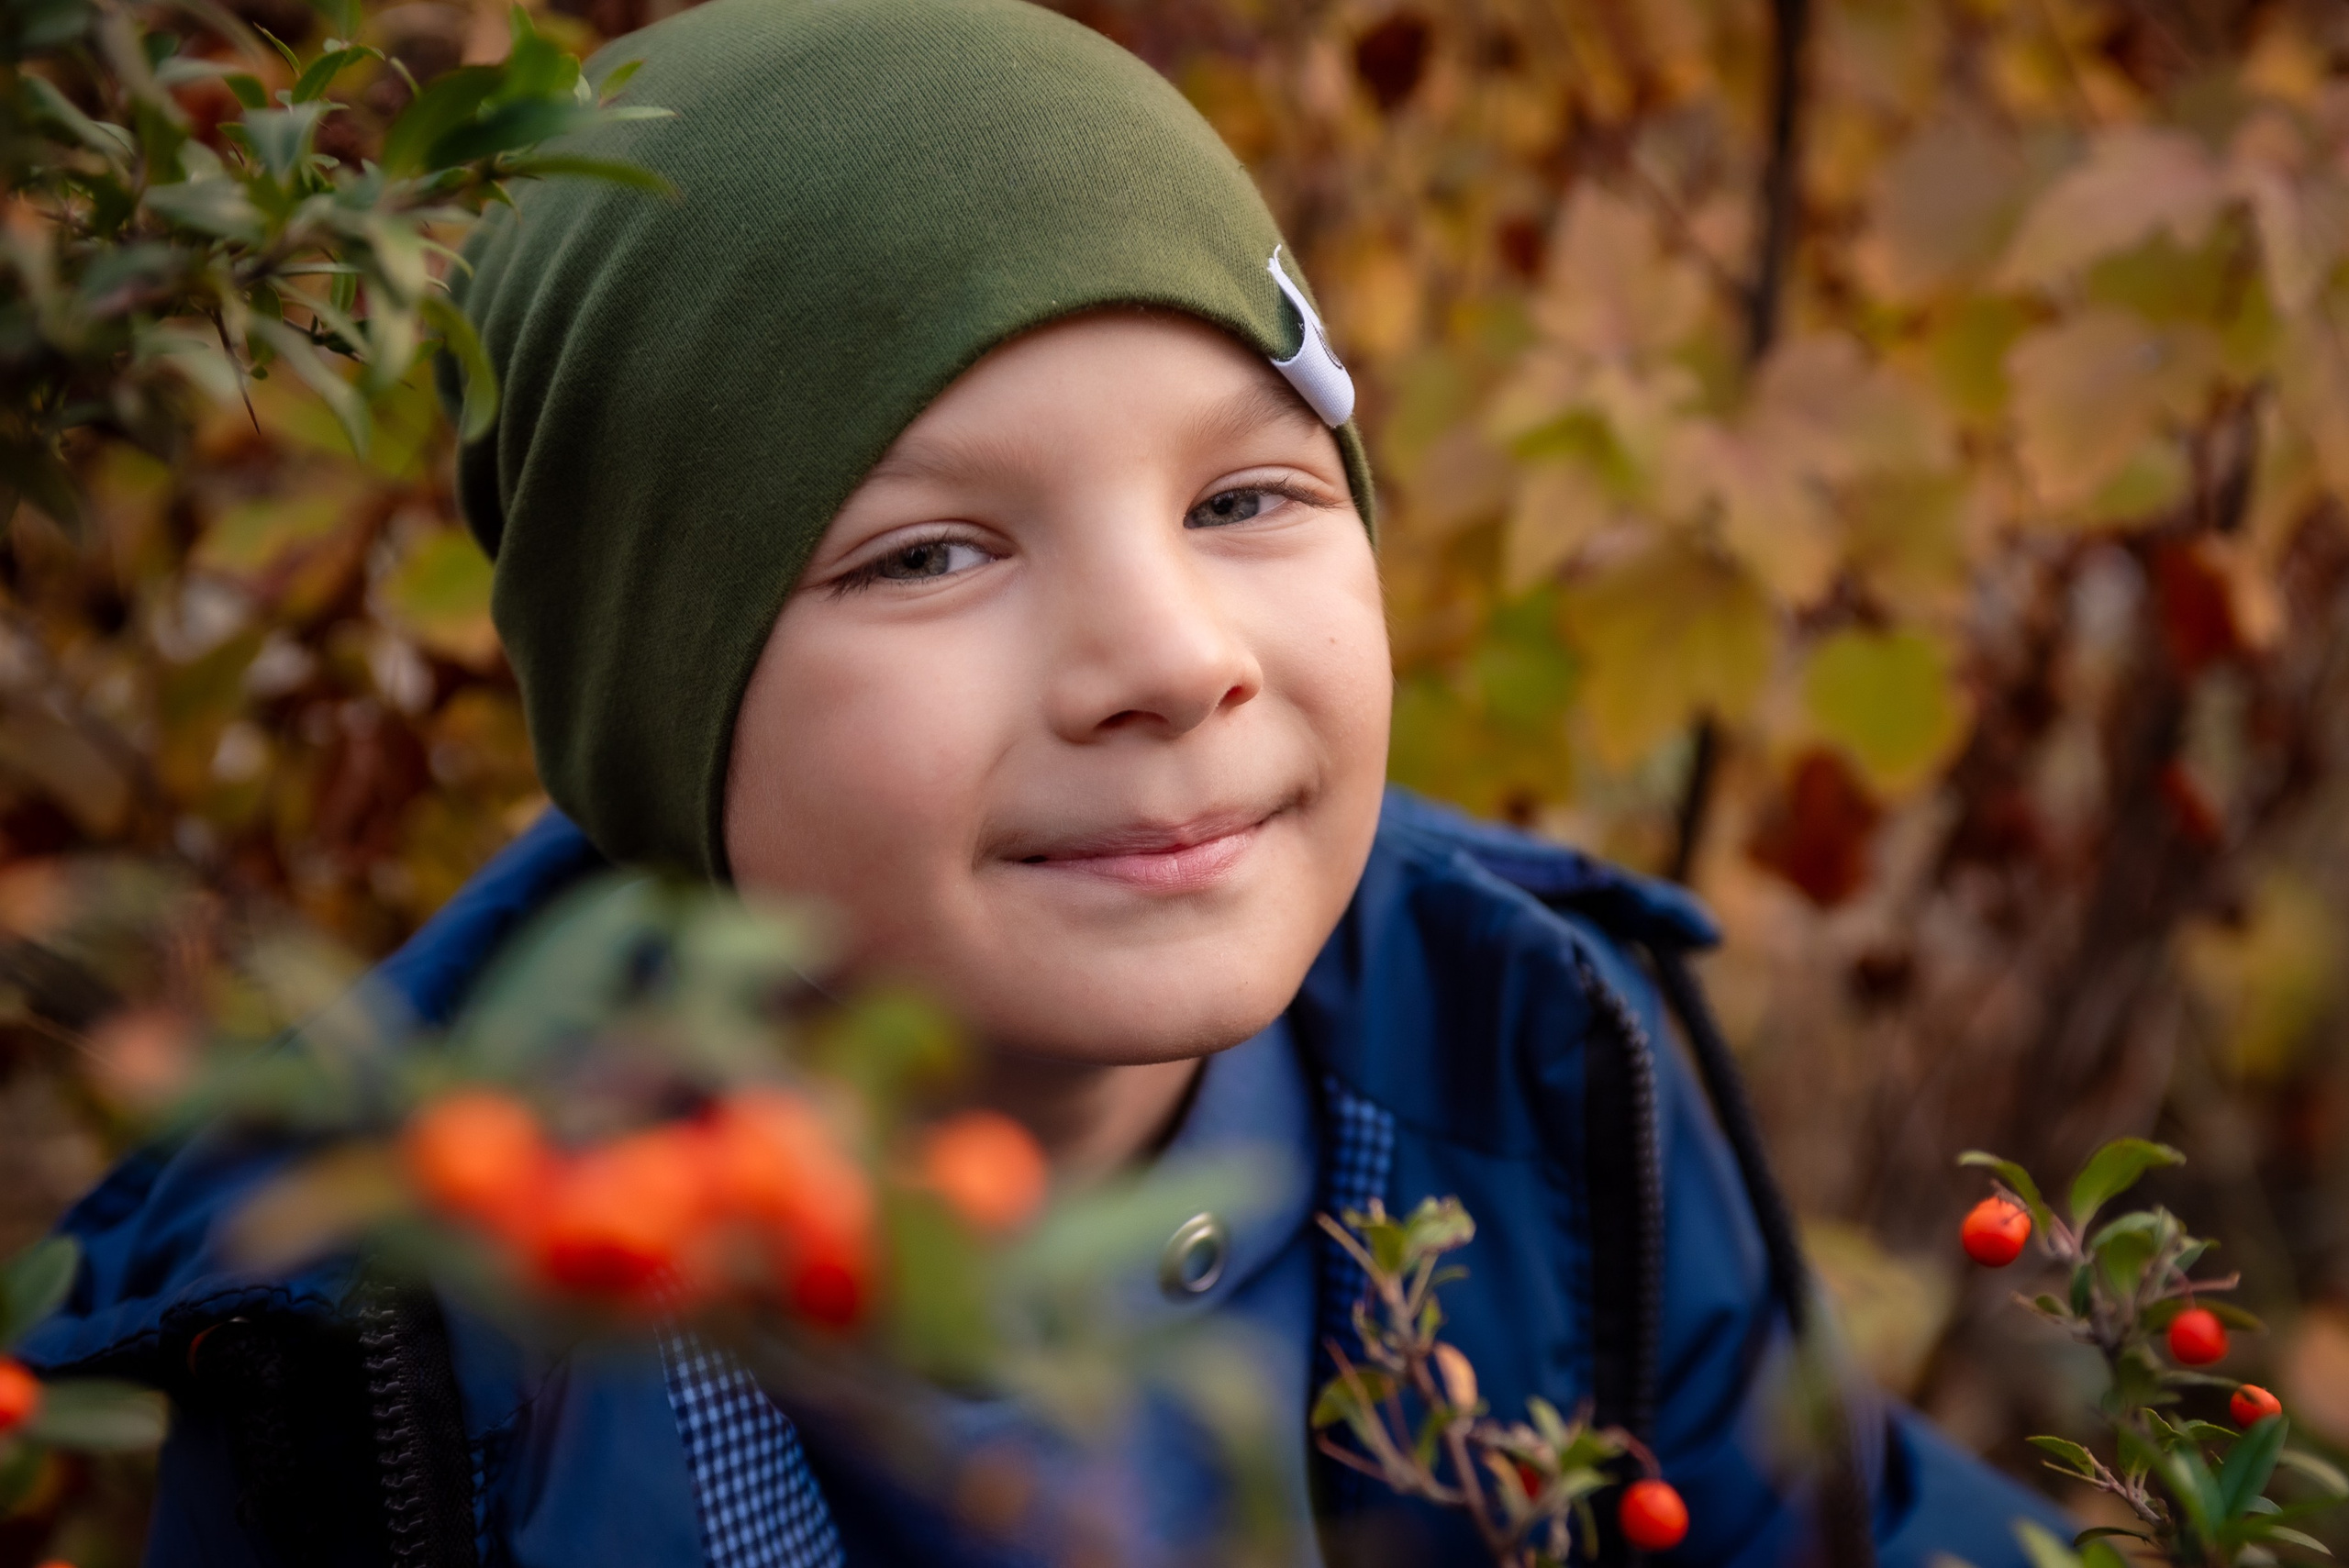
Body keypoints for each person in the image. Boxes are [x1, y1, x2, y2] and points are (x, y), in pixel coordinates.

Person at [20, 1, 2068, 1563]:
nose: (1174, 660)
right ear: (666, 703)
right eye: (931, 551)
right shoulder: (385, 1338)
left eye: (1247, 493)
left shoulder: (1528, 1061)